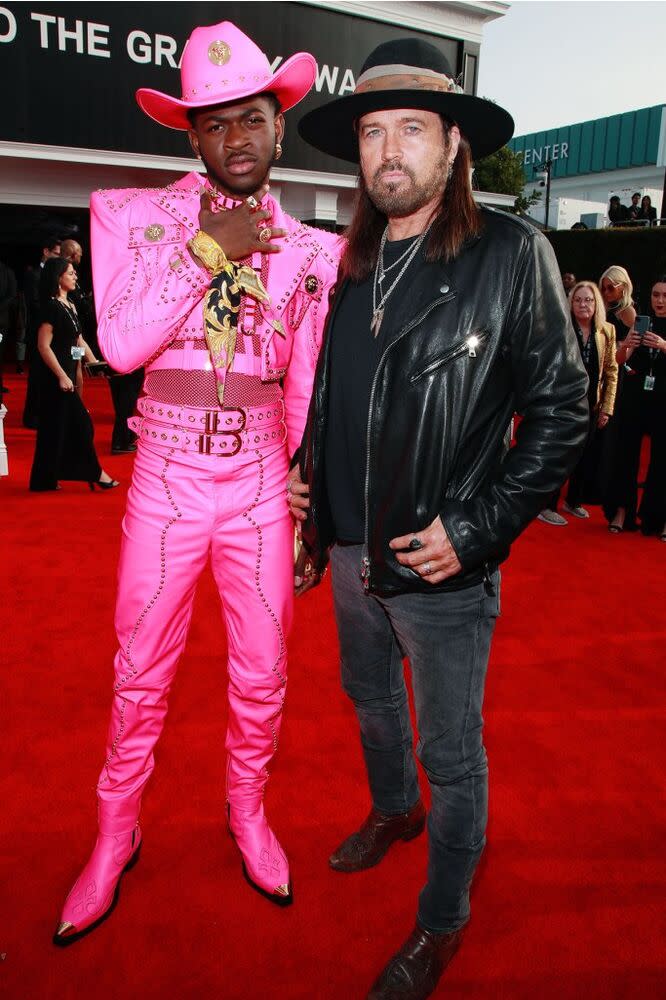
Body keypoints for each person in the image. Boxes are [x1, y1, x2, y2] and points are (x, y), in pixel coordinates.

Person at [291, 37, 588, 1000]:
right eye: (373, 132)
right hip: (349, 551)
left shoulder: (513, 254)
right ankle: (392, 811)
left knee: (451, 750)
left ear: (454, 146)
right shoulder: (355, 266)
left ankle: (443, 919)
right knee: (369, 701)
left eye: (410, 130)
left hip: (442, 565)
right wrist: (308, 489)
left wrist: (481, 526)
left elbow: (563, 407)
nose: (388, 152)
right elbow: (341, 399)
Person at [53, 21, 340, 946]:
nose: (236, 141)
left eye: (251, 119)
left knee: (264, 673)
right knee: (139, 674)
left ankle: (247, 813)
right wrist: (209, 247)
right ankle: (114, 833)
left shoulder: (310, 252)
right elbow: (126, 344)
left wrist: (308, 506)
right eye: (214, 127)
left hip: (260, 488)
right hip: (166, 485)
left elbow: (303, 386)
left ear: (278, 123)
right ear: (192, 138)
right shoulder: (138, 220)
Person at [28, 258, 118, 492]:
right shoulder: (51, 307)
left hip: (67, 374)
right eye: (70, 273)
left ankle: (43, 480)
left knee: (54, 430)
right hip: (53, 378)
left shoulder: (70, 305)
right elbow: (43, 346)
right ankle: (96, 473)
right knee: (82, 425)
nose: (75, 276)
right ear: (58, 277)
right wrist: (61, 375)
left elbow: (75, 341)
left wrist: (92, 361)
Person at [538, 281, 618, 523]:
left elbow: (612, 371)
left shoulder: (607, 332)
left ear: (596, 304)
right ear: (570, 304)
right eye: (578, 300)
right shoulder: (560, 329)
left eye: (589, 300)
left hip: (591, 406)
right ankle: (546, 505)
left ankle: (573, 501)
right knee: (559, 456)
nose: (584, 305)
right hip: (563, 405)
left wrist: (607, 407)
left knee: (584, 457)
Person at [604, 276, 666, 537]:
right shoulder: (640, 322)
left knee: (663, 459)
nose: (660, 301)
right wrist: (628, 345)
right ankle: (622, 511)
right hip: (636, 396)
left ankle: (660, 519)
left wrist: (663, 346)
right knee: (626, 454)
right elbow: (619, 360)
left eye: (664, 296)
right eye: (655, 295)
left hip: (664, 397)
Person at [22, 236, 61, 426]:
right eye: (55, 254)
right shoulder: (34, 275)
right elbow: (34, 304)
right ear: (46, 252)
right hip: (38, 329)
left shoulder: (57, 276)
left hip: (53, 332)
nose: (58, 258)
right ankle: (32, 416)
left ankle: (44, 412)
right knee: (37, 374)